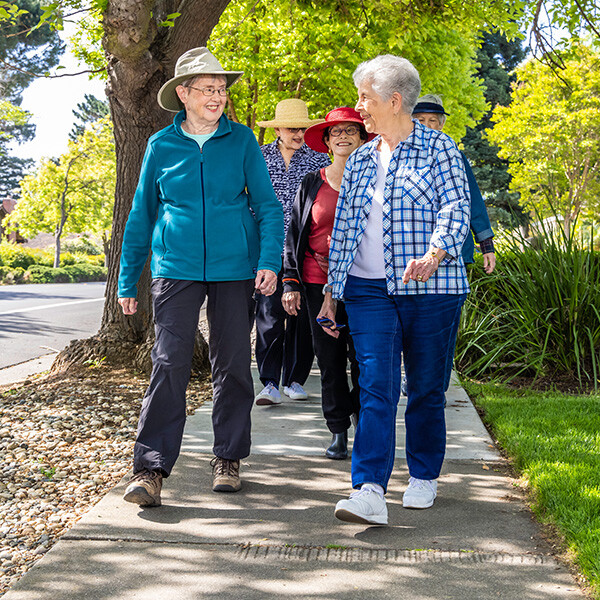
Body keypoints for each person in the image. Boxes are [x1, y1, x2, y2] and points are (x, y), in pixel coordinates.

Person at [117, 47, 284, 506]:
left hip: (235, 269)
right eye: (208, 88)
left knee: (231, 364)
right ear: (184, 94)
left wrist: (269, 261)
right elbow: (141, 215)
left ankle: (227, 457)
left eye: (222, 89)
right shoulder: (160, 145)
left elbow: (269, 207)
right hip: (176, 268)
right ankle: (150, 469)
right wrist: (128, 280)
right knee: (168, 363)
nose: (218, 96)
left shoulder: (243, 140)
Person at [319, 54, 471, 526]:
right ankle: (368, 489)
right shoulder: (362, 157)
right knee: (375, 387)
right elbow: (344, 228)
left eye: (364, 97)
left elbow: (456, 207)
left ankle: (424, 474)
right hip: (368, 290)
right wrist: (331, 291)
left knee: (426, 387)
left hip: (432, 288)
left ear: (394, 99)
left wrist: (435, 252)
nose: (358, 106)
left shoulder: (439, 149)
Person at [282, 107, 375, 459]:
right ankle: (338, 430)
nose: (343, 137)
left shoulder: (375, 180)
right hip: (314, 283)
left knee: (366, 361)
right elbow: (294, 236)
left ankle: (362, 419)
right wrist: (290, 282)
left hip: (364, 283)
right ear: (326, 140)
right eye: (335, 132)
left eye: (351, 130)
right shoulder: (311, 182)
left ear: (364, 138)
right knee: (330, 361)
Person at [400, 94, 497, 395]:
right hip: (409, 253)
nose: (427, 126)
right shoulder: (398, 153)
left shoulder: (451, 152)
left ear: (442, 125)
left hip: (451, 255)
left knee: (442, 328)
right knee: (409, 323)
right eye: (421, 120)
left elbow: (471, 201)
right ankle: (413, 374)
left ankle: (436, 387)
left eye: (433, 121)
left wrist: (486, 241)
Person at [253, 99, 331, 406]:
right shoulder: (259, 157)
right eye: (292, 128)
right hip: (269, 248)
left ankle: (295, 379)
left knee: (300, 317)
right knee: (269, 314)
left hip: (303, 249)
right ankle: (270, 382)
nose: (298, 133)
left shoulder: (318, 161)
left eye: (302, 128)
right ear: (278, 130)